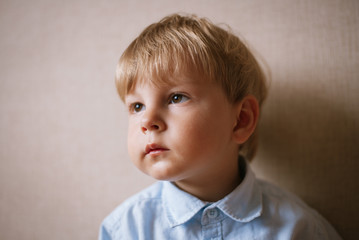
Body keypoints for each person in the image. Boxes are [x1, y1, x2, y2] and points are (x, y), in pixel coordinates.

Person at [99, 14, 342, 239]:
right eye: (137, 106)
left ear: (241, 119)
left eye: (176, 97)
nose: (147, 121)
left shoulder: (298, 228)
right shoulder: (125, 229)